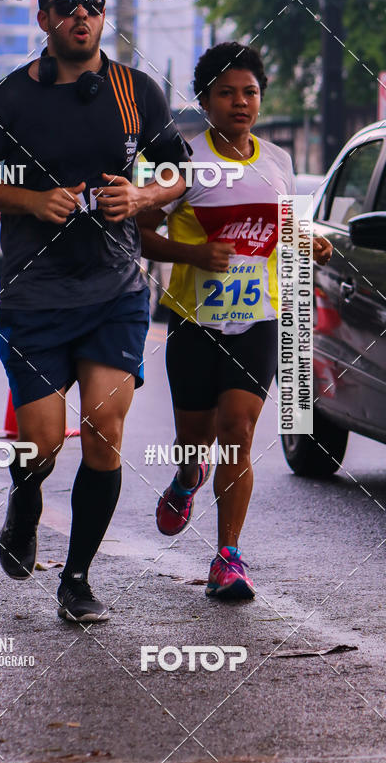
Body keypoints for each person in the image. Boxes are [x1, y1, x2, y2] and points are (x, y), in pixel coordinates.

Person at [0, 0, 189, 622]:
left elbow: (178, 170)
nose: (80, 15)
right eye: (66, 6)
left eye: (91, 5)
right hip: (36, 294)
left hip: (114, 289)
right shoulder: (11, 97)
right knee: (42, 442)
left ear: (103, 14)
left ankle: (78, 580)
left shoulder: (133, 90)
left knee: (103, 432)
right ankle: (25, 503)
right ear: (44, 20)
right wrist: (32, 200)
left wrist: (141, 192)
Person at [137, 42, 332, 600]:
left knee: (238, 433)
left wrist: (308, 240)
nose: (240, 102)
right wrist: (194, 255)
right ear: (205, 100)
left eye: (249, 92)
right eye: (227, 93)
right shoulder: (186, 161)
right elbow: (141, 231)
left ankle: (228, 557)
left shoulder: (277, 162)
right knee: (195, 441)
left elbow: (281, 230)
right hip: (195, 321)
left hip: (260, 319)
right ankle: (185, 477)